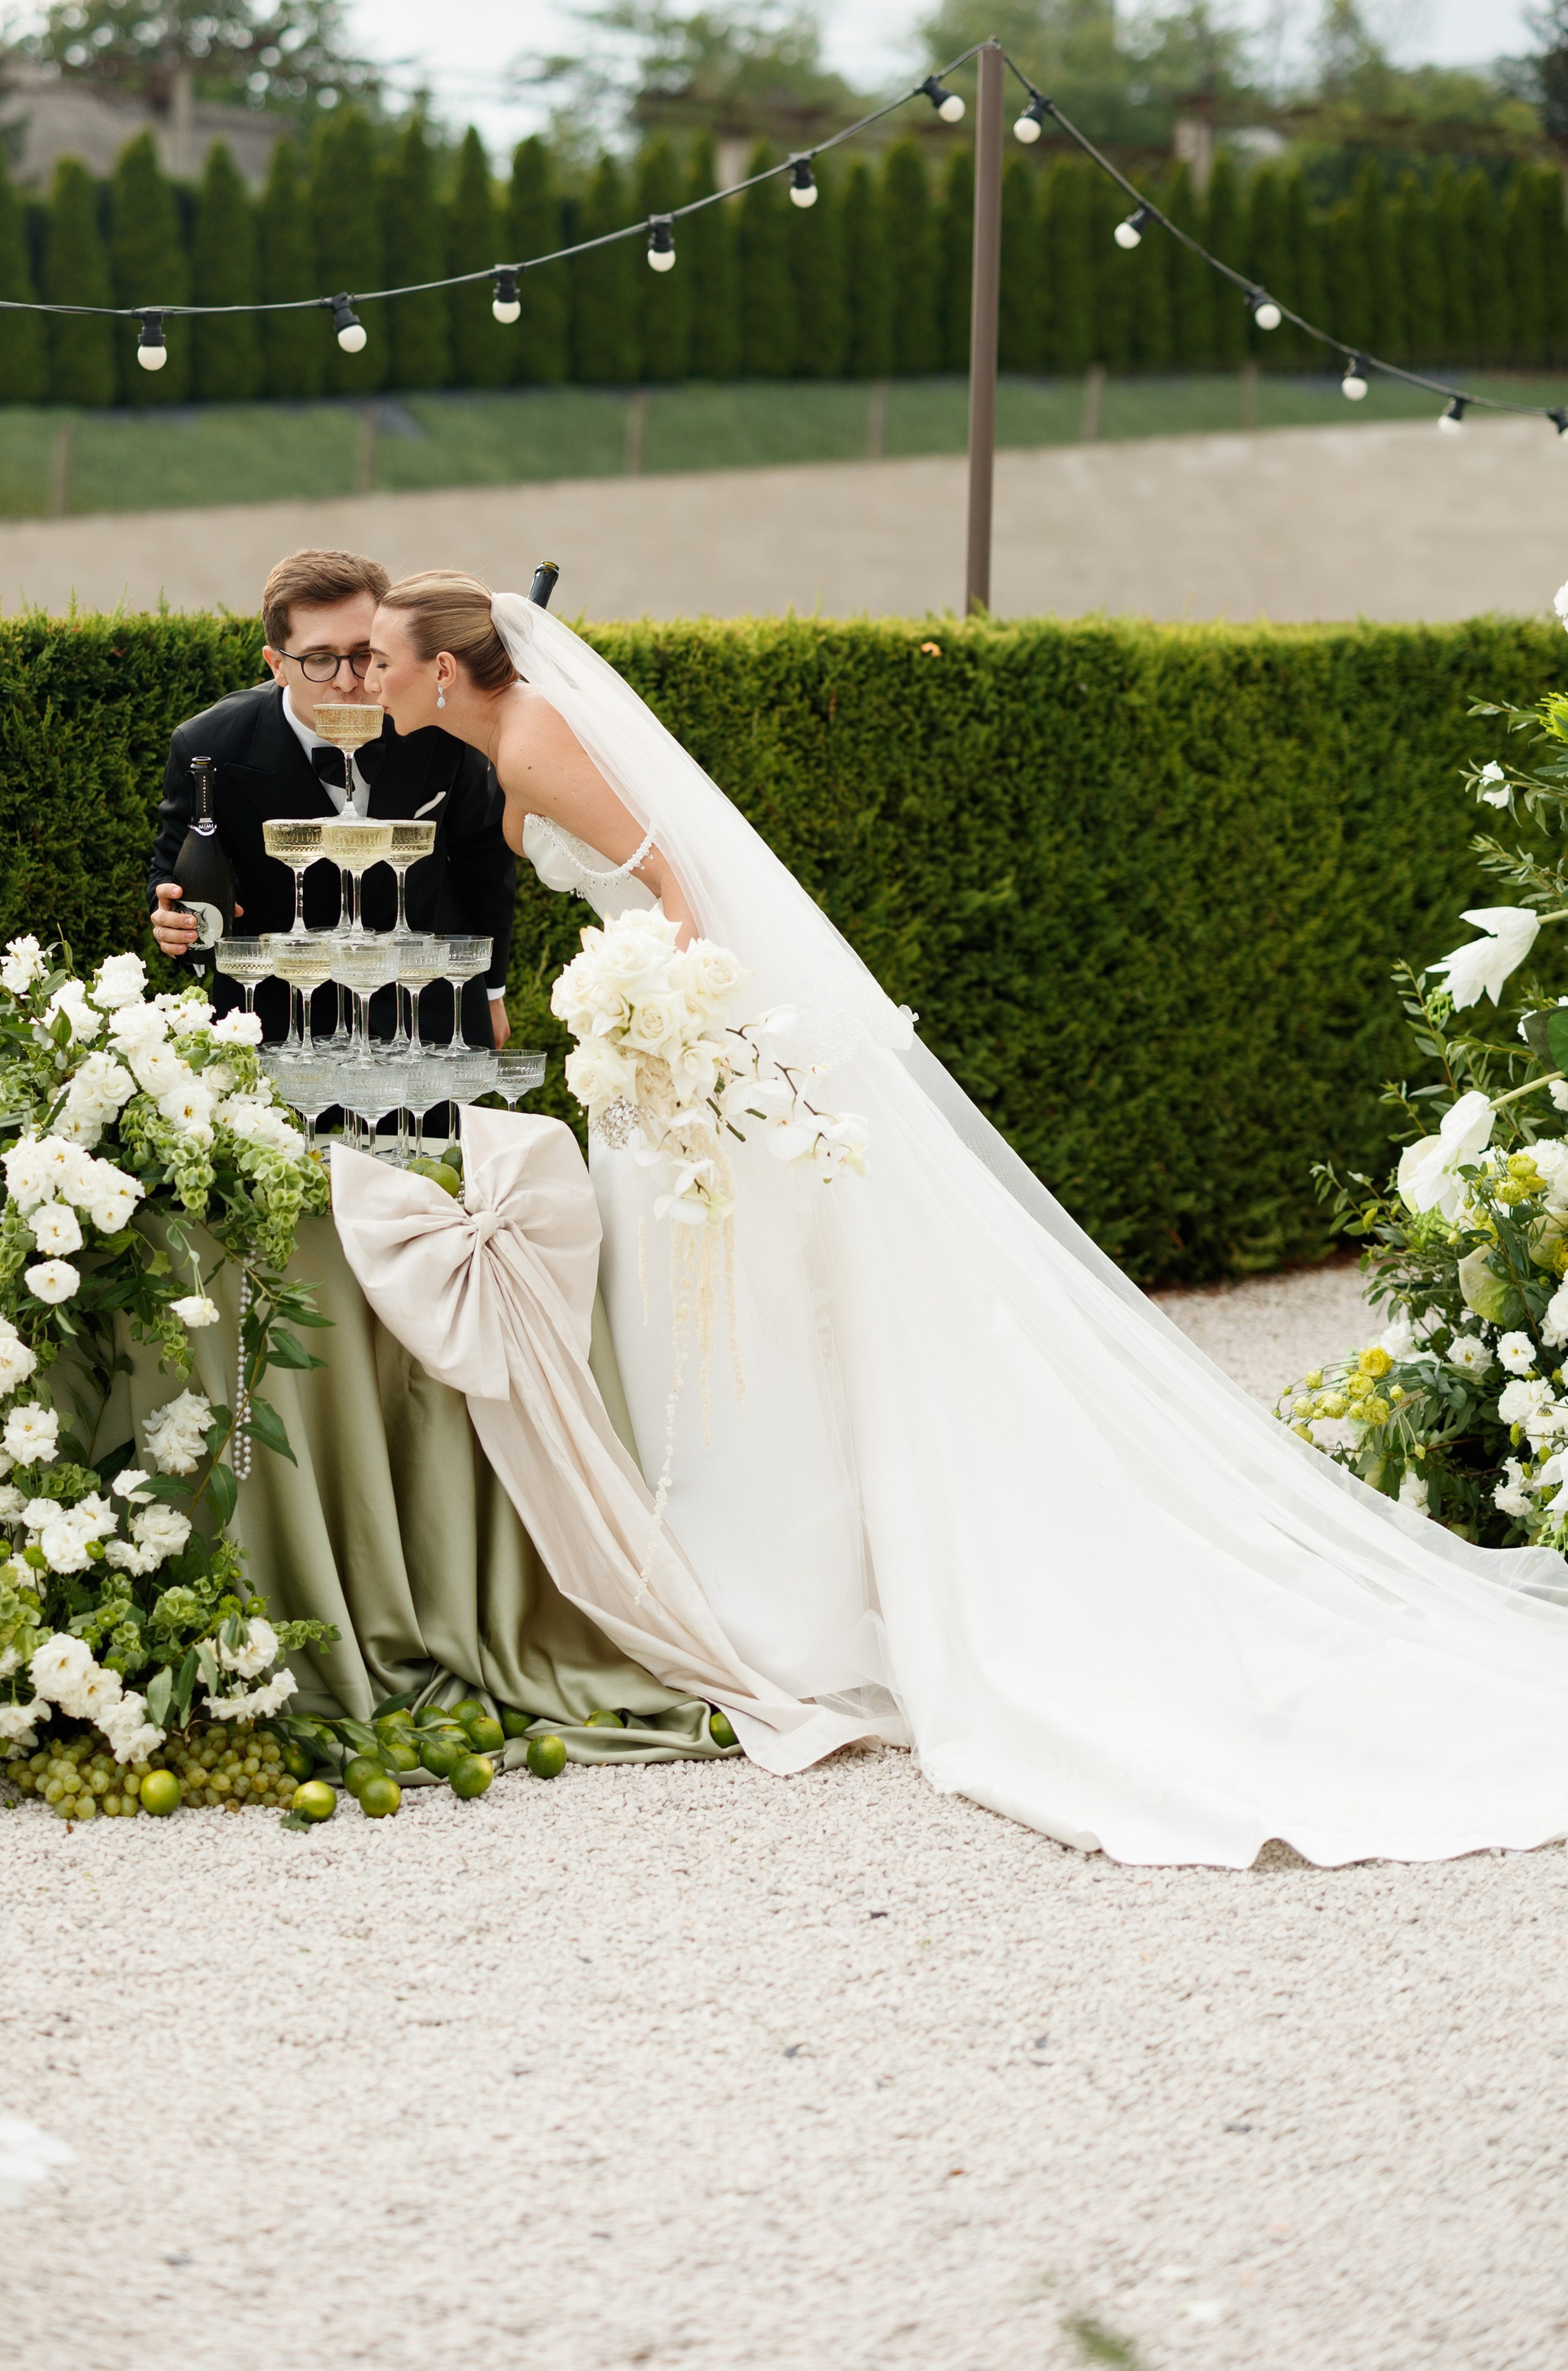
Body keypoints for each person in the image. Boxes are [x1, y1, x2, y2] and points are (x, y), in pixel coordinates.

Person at [365, 566, 1568, 1870]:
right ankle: (746, 1592)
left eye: (378, 658)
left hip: (686, 1053)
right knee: (725, 1316)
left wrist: (670, 1042)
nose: (364, 680)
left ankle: (786, 1612)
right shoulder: (505, 736)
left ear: (443, 667)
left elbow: (676, 892)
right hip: (662, 1057)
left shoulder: (534, 736)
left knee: (746, 1317)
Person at [147, 547, 515, 1050]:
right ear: (277, 665)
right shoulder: (210, 747)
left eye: (364, 654)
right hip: (279, 1026)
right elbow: (175, 872)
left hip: (430, 1020)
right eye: (320, 659)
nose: (348, 681)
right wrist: (174, 921)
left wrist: (491, 993)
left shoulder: (437, 723)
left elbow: (485, 862)